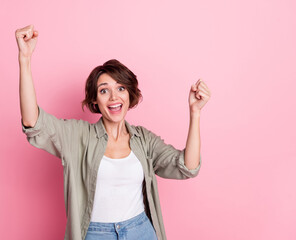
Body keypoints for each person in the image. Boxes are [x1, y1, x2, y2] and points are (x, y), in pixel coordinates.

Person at [15, 24, 211, 240]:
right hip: (95, 234)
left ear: (129, 94)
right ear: (95, 100)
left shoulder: (144, 140)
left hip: (141, 231)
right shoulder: (78, 136)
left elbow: (188, 167)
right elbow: (33, 122)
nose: (114, 97)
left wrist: (195, 113)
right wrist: (24, 59)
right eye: (104, 90)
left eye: (120, 88)